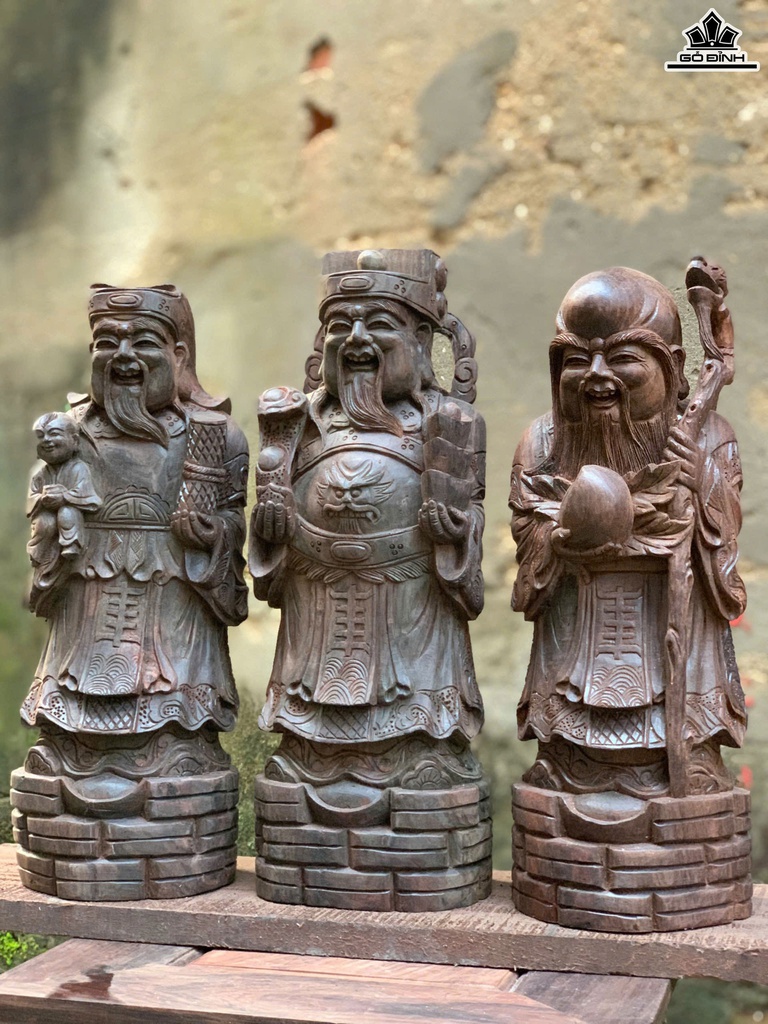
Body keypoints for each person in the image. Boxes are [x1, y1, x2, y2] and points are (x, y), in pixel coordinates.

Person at [249, 250, 491, 910]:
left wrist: (454, 533)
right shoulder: (293, 426)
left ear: (422, 339)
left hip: (413, 645)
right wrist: (270, 525)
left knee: (420, 776)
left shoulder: (451, 425)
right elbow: (267, 576)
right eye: (340, 325)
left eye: (378, 323)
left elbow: (468, 577)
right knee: (300, 775)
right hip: (316, 639)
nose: (355, 340)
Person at [15, 284, 248, 899]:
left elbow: (232, 527)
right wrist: (53, 533)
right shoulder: (66, 434)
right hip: (86, 611)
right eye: (106, 342)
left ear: (179, 355)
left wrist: (211, 535)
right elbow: (41, 509)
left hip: (172, 611)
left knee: (172, 740)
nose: (122, 356)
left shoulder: (213, 436)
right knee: (66, 743)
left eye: (142, 342)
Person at [509, 266, 746, 798]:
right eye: (576, 359)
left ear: (673, 368)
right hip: (576, 632)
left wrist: (702, 481)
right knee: (566, 767)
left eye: (622, 358)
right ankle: (568, 761)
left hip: (672, 645)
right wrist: (561, 537)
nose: (597, 376)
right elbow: (528, 531)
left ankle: (685, 768)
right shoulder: (542, 443)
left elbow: (725, 537)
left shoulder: (709, 437)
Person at [27, 411, 101, 595]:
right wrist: (41, 499)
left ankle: (71, 546)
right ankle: (40, 556)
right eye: (40, 436)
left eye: (54, 434)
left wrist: (65, 497)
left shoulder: (78, 468)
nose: (46, 440)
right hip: (47, 524)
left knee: (67, 513)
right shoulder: (40, 474)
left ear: (74, 441)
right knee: (45, 522)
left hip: (70, 516)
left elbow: (89, 497)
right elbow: (31, 498)